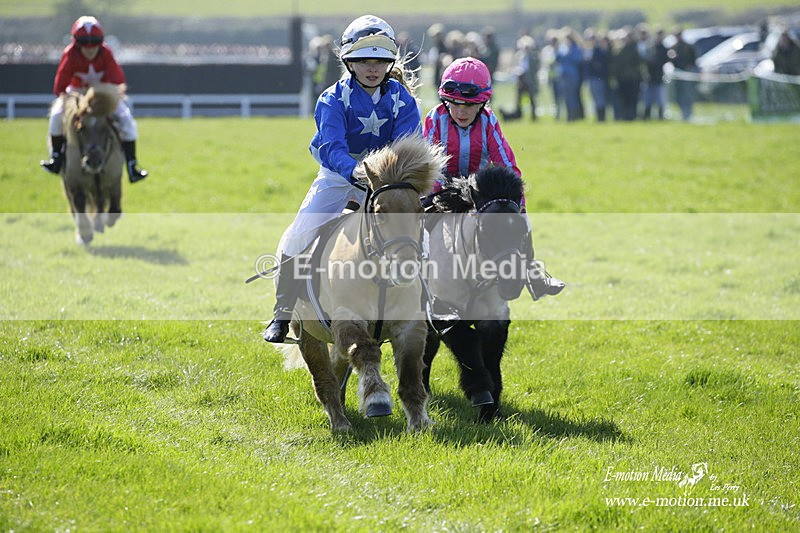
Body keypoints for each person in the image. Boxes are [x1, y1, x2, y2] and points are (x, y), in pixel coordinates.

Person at [263, 15, 423, 343]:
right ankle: (282, 313)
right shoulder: (332, 98)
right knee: (298, 235)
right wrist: (354, 171)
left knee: (417, 234)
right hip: (338, 176)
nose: (372, 67)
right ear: (349, 62)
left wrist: (385, 178)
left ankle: (429, 304)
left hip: (384, 183)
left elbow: (407, 148)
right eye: (364, 59)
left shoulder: (403, 100)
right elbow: (331, 147)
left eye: (379, 60)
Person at [422, 57, 564, 300]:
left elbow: (507, 165)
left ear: (483, 102)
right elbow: (429, 167)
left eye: (468, 105)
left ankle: (532, 269)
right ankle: (415, 278)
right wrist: (438, 197)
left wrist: (515, 201)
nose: (460, 111)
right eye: (454, 104)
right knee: (415, 221)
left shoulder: (489, 120)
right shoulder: (435, 119)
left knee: (517, 214)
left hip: (478, 191)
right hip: (440, 190)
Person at [40, 15, 148, 183]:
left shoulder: (106, 53)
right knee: (55, 116)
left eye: (94, 45)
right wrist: (74, 100)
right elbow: (59, 87)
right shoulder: (69, 54)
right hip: (76, 93)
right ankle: (56, 158)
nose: (90, 49)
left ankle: (132, 165)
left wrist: (108, 96)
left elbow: (118, 82)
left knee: (126, 120)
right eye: (85, 45)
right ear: (77, 43)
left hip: (102, 94)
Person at [668, 29, 697, 121]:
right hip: (677, 75)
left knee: (687, 95)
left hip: (686, 75)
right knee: (678, 95)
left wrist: (689, 68)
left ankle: (688, 114)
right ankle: (682, 113)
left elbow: (693, 60)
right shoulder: (673, 47)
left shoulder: (688, 47)